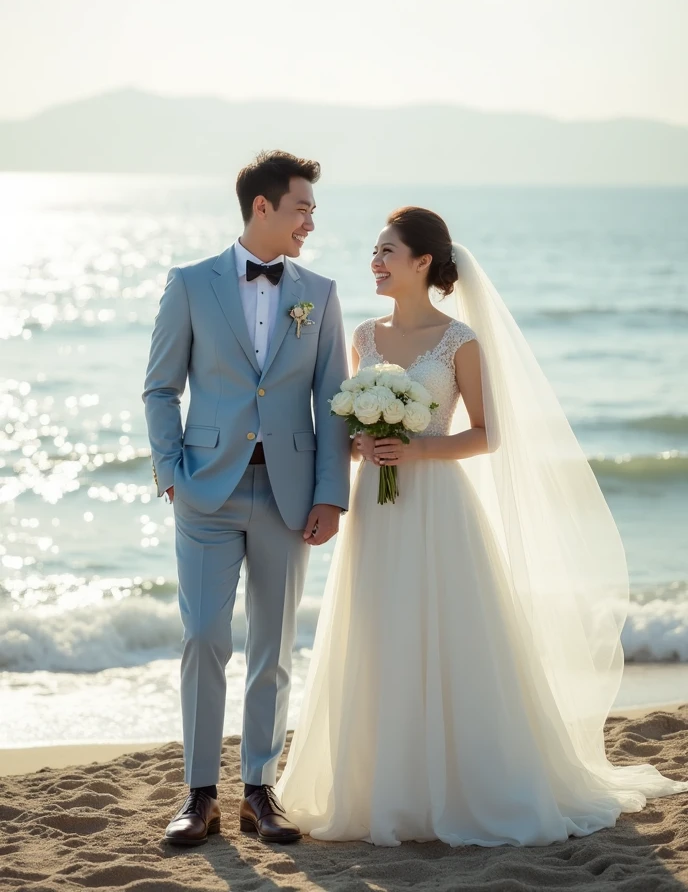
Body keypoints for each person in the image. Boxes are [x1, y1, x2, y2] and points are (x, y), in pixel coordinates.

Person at [277, 206, 688, 847]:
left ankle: (465, 783)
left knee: (450, 632)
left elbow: (488, 434)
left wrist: (414, 449)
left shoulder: (459, 340)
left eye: (388, 251)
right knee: (381, 631)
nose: (376, 262)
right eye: (374, 252)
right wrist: (363, 444)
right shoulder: (363, 336)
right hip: (378, 518)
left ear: (422, 263)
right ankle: (385, 787)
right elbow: (348, 430)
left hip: (440, 506)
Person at [142, 150, 350, 846]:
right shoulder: (191, 284)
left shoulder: (318, 293)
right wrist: (169, 467)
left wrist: (331, 494)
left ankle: (259, 791)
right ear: (262, 207)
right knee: (204, 636)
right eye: (302, 209)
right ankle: (199, 794)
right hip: (206, 490)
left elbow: (332, 401)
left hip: (289, 495)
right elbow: (160, 386)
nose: (310, 223)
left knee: (273, 645)